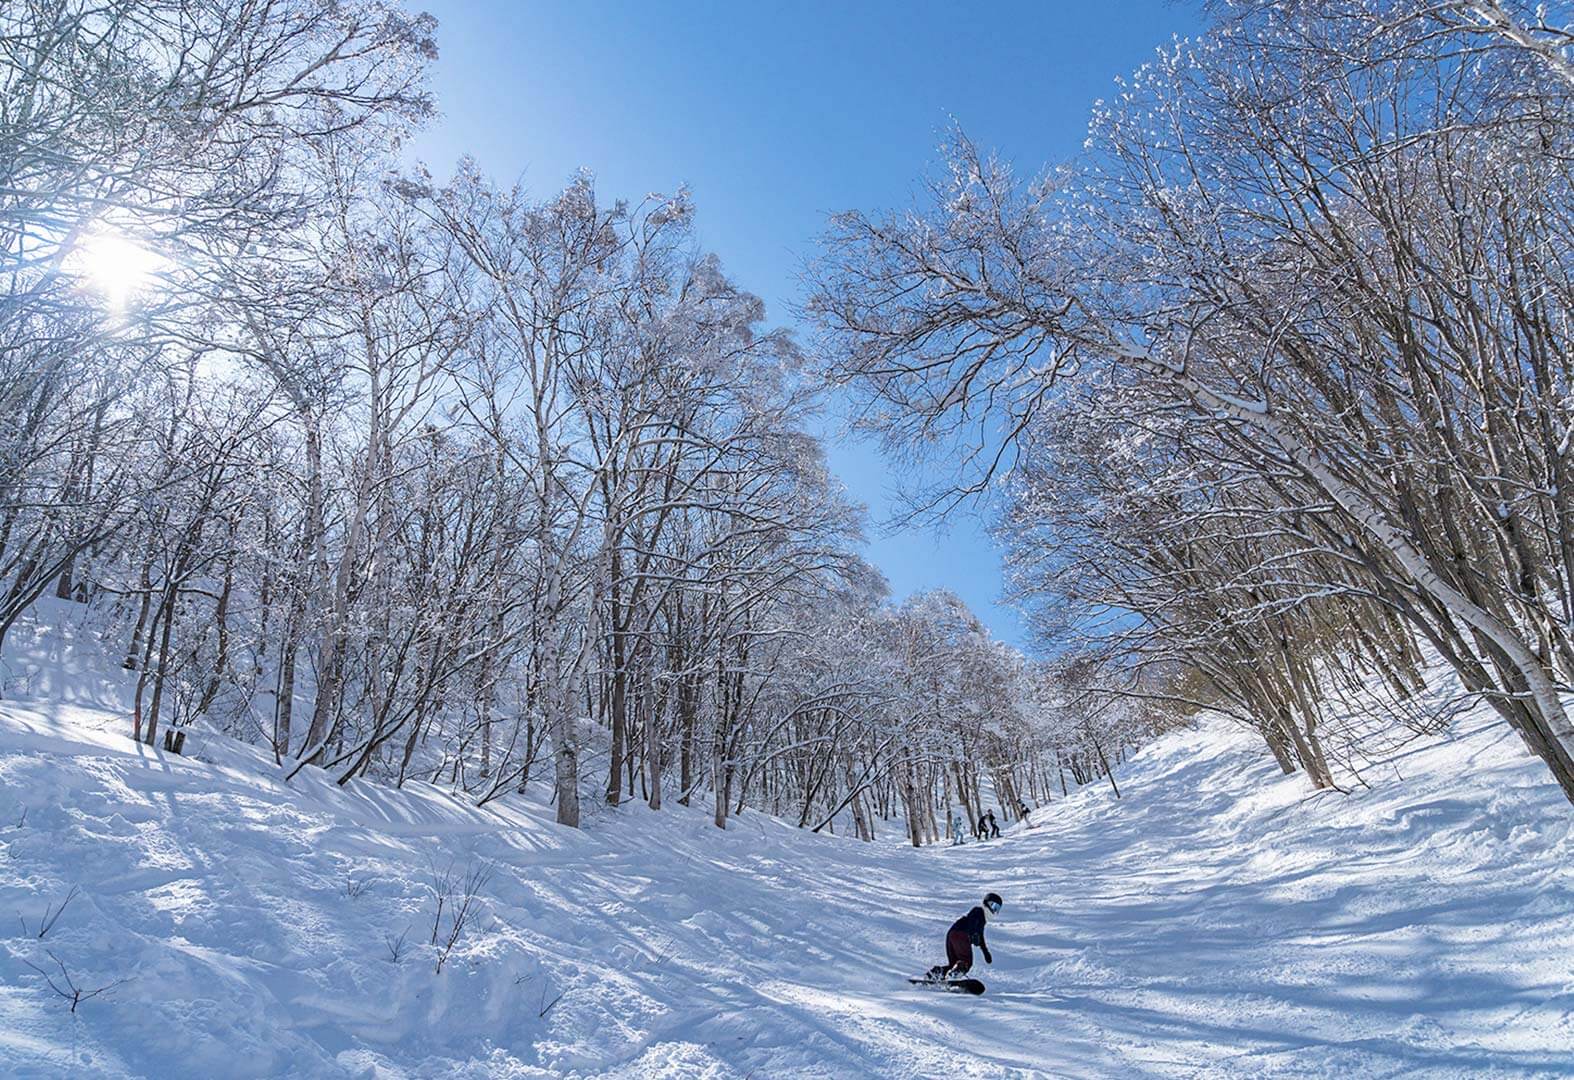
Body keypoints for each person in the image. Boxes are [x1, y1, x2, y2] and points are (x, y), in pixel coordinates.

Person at [926, 892, 1003, 981]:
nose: (994, 911)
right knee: (966, 962)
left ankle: (934, 974)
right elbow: (972, 921)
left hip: (952, 935)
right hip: (961, 935)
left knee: (953, 964)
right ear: (986, 903)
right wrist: (973, 933)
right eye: (993, 906)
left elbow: (980, 936)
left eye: (997, 909)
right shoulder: (978, 911)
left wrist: (985, 952)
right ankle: (953, 976)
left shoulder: (981, 920)